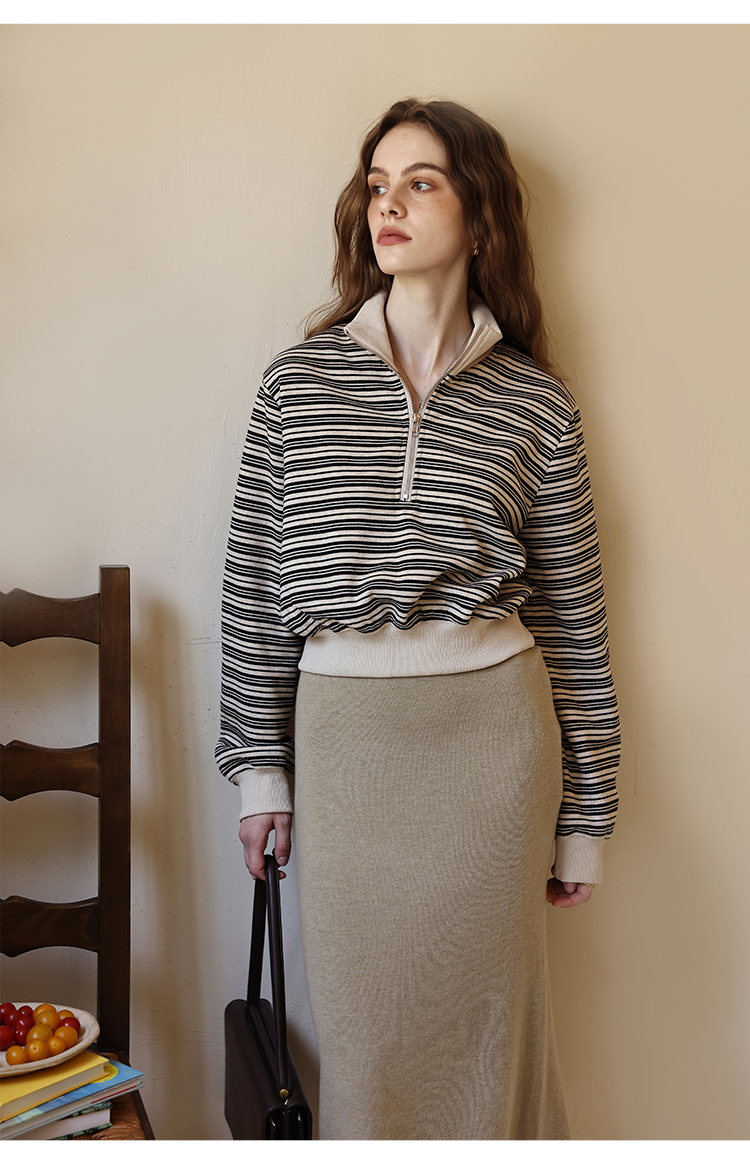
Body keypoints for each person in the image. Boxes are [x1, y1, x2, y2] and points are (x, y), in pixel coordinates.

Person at [216, 98, 620, 1141]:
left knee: (493, 1035)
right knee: (369, 1046)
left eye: (421, 182)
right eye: (377, 185)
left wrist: (585, 819)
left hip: (494, 747)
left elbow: (574, 617)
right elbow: (253, 588)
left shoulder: (535, 402)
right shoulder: (297, 384)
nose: (388, 204)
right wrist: (260, 774)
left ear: (481, 219)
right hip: (347, 744)